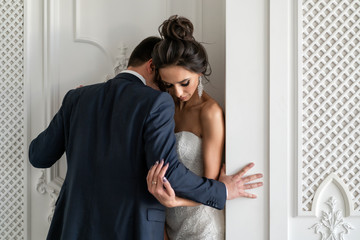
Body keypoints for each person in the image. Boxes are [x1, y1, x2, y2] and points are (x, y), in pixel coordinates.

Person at [29, 36, 263, 240]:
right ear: (153, 66)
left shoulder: (77, 97)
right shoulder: (155, 102)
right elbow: (167, 171)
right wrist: (222, 191)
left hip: (73, 228)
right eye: (165, 82)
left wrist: (72, 107)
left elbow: (38, 156)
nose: (169, 91)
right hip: (132, 228)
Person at [145, 15, 242, 239]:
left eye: (184, 83)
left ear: (200, 71)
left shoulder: (210, 113)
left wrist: (174, 201)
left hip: (202, 225)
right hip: (169, 223)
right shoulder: (165, 106)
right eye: (169, 85)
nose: (178, 92)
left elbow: (210, 186)